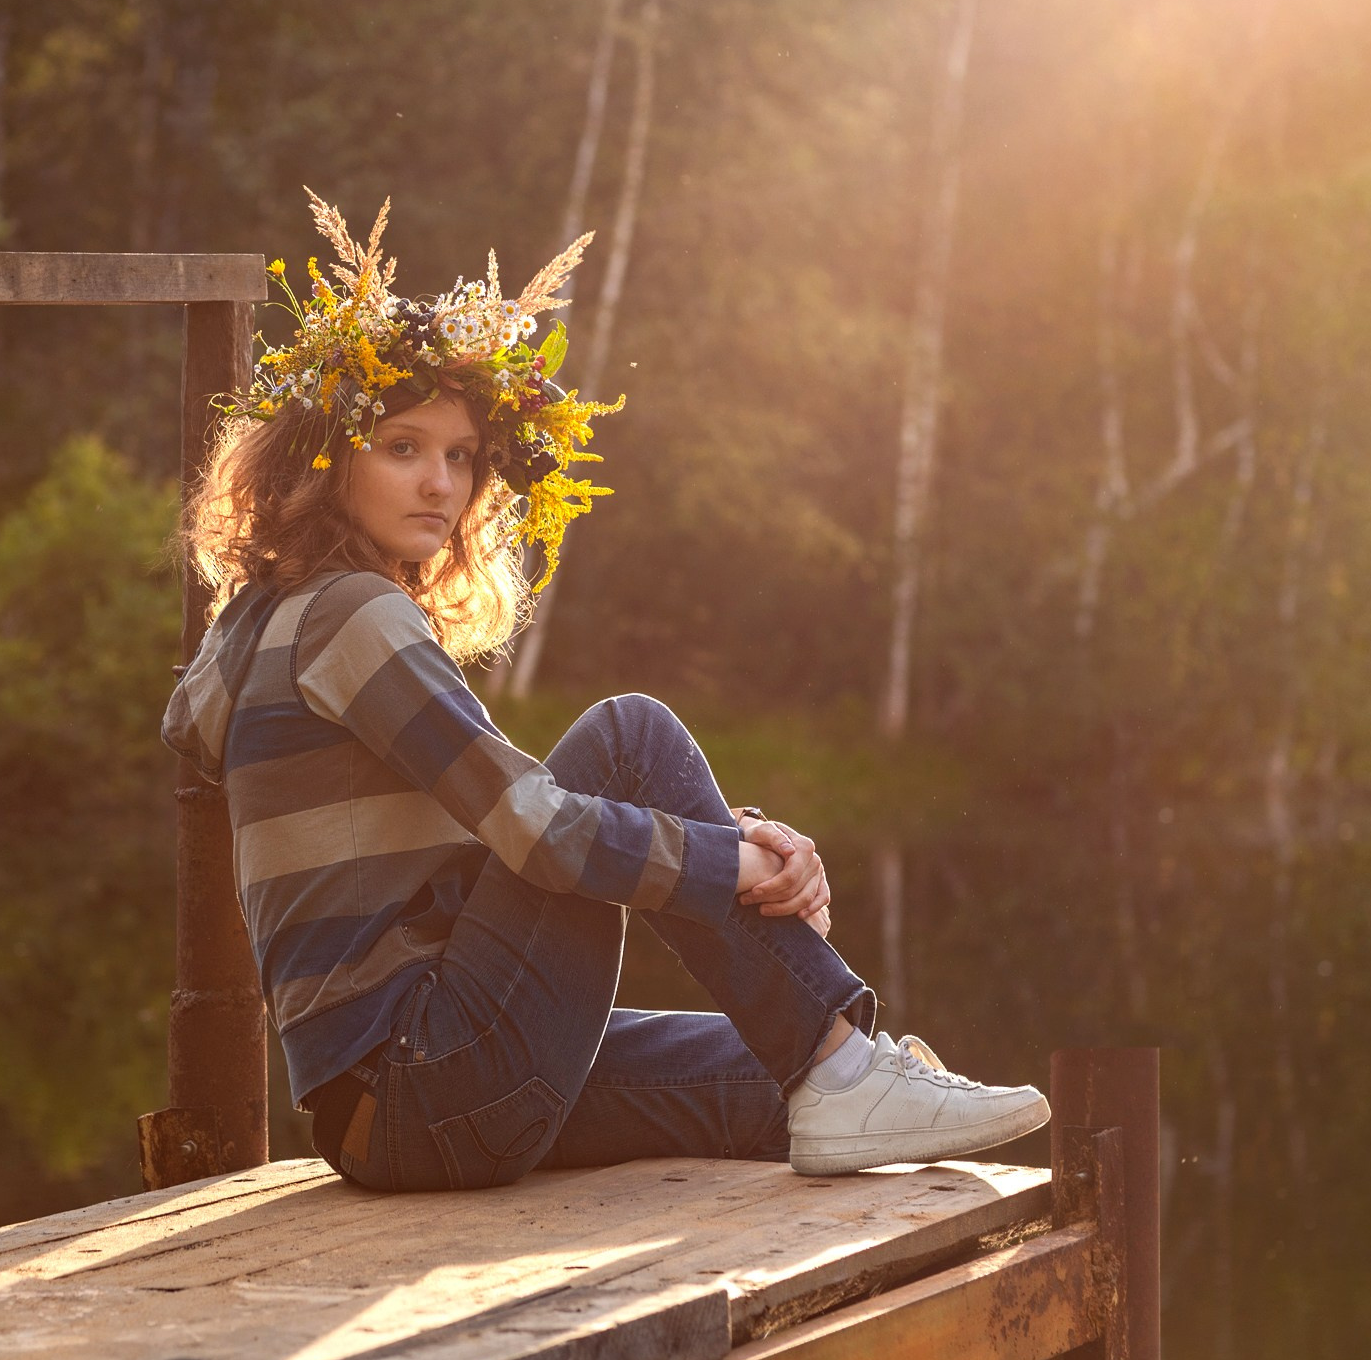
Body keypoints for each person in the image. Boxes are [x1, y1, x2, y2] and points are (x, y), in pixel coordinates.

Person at [161, 193, 1048, 1190]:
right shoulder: (349, 613)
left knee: (770, 1072)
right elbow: (532, 831)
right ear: (326, 458)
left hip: (374, 1117)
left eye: (459, 458)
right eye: (401, 447)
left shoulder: (254, 630)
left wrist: (725, 834)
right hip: (428, 1075)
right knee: (631, 735)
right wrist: (732, 860)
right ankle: (844, 1061)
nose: (439, 486)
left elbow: (485, 835)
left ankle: (846, 1073)